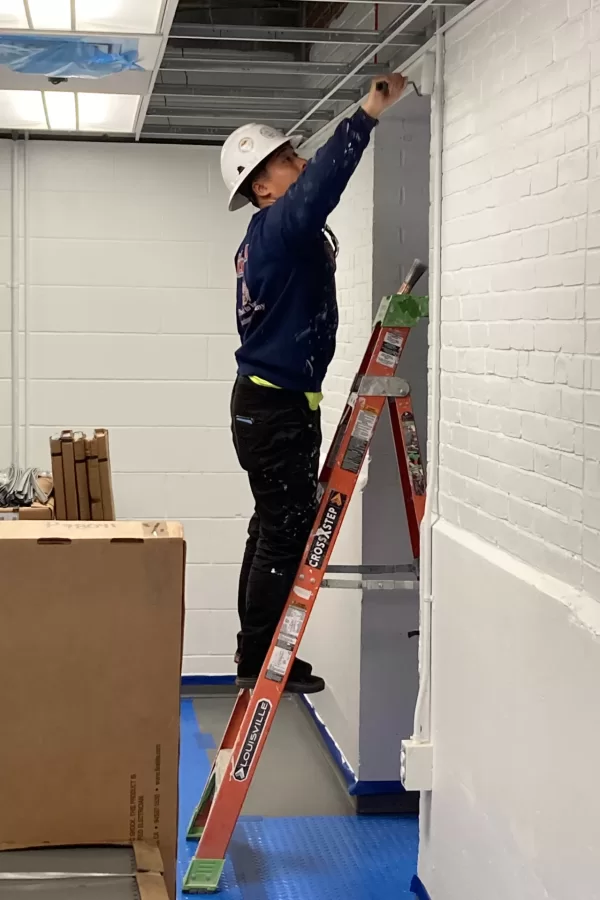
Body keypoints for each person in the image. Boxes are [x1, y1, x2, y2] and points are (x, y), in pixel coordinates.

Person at [220, 73, 407, 693]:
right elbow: (319, 190)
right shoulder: (277, 228)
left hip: (272, 405)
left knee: (271, 525)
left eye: (296, 153)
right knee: (285, 529)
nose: (299, 162)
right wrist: (368, 113)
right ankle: (259, 658)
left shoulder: (269, 238)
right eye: (287, 159)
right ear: (261, 186)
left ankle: (256, 650)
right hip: (273, 409)